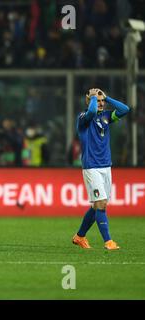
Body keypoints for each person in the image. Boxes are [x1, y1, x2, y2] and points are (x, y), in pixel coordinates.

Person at [72, 88, 130, 250]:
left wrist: (107, 97)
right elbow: (90, 112)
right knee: (101, 204)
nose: (100, 103)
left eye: (101, 101)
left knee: (97, 205)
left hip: (106, 166)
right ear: (88, 100)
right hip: (92, 166)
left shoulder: (106, 117)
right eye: (97, 101)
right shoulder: (83, 118)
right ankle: (108, 241)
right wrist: (92, 98)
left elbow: (125, 109)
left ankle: (79, 236)